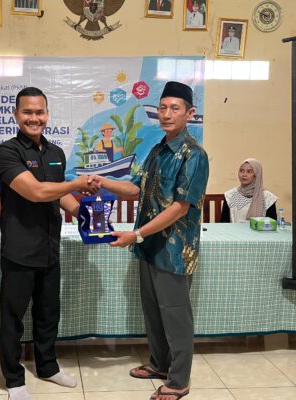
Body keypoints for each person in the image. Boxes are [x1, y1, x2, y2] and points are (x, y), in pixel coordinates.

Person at [88, 82, 209, 400]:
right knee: (153, 310)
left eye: (175, 108)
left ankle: (179, 380)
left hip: (174, 250)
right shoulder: (157, 150)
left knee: (175, 313)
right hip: (149, 246)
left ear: (189, 114)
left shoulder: (194, 155)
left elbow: (180, 208)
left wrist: (137, 233)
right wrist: (103, 181)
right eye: (163, 107)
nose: (167, 114)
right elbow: (136, 188)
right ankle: (160, 364)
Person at [0, 87, 96, 400]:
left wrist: (86, 216)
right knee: (13, 318)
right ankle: (14, 379)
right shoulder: (6, 153)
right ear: (16, 115)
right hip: (20, 251)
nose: (34, 118)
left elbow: (59, 195)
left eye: (39, 112)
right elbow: (36, 192)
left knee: (49, 313)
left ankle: (48, 366)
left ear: (47, 114)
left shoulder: (55, 153)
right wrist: (77, 183)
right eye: (27, 112)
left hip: (50, 249)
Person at [220, 158, 278, 223]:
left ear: (257, 175)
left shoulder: (268, 197)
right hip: (233, 230)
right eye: (241, 171)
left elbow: (272, 224)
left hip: (260, 230)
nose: (244, 175)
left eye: (249, 171)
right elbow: (224, 222)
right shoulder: (230, 195)